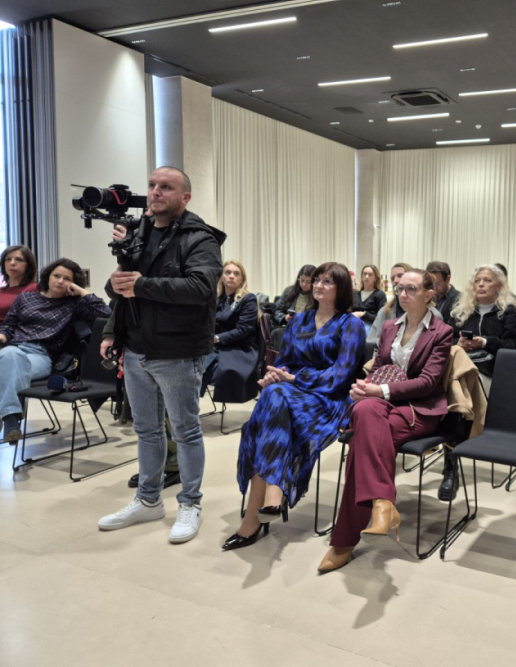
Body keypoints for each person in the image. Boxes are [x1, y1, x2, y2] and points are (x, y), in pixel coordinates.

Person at [98, 166, 225, 545]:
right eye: (152, 185)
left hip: (178, 350)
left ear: (185, 197)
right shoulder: (138, 232)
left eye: (166, 187)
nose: (155, 192)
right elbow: (120, 287)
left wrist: (142, 285)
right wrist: (113, 316)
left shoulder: (200, 237)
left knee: (185, 431)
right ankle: (148, 499)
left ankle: (190, 503)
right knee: (147, 430)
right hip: (137, 347)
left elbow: (201, 288)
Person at [223, 263, 365, 551]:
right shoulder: (299, 320)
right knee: (273, 396)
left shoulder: (350, 324)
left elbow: (341, 376)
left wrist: (294, 378)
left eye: (327, 281)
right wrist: (277, 374)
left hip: (327, 398)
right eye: (317, 280)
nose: (319, 285)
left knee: (268, 410)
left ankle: (254, 517)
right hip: (290, 392)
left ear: (341, 289)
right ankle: (273, 495)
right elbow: (285, 361)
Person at [319, 269, 453, 573]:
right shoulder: (391, 327)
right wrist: (364, 388)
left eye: (411, 289)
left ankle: (345, 541)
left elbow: (428, 382)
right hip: (381, 404)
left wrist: (380, 391)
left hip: (419, 409)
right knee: (365, 412)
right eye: (400, 288)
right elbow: (379, 368)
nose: (403, 294)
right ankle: (382, 504)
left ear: (429, 295)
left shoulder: (442, 332)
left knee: (362, 440)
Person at [0, 258, 111, 443]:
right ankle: (10, 419)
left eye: (67, 278)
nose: (60, 281)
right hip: (12, 348)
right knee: (11, 356)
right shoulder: (26, 298)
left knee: (10, 359)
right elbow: (9, 326)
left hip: (40, 355)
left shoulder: (74, 304)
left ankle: (10, 419)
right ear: (48, 277)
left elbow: (106, 315)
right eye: (56, 276)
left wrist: (82, 292)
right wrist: (2, 337)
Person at [449, 264, 516, 387]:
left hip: (495, 372)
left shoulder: (508, 312)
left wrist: (486, 342)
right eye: (477, 281)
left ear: (498, 286)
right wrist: (459, 343)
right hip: (462, 365)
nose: (481, 284)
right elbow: (445, 340)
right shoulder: (462, 311)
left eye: (487, 280)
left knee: (461, 381)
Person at [202, 260, 260, 404]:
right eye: (227, 272)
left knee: (216, 371)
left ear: (242, 279)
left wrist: (216, 338)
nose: (231, 276)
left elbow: (243, 330)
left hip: (240, 348)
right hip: (217, 345)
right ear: (222, 277)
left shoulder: (248, 299)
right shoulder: (217, 299)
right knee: (190, 365)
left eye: (236, 274)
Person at [367, 262, 413, 341]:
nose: (395, 281)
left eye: (400, 276)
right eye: (392, 278)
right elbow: (371, 341)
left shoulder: (428, 312)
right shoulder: (384, 311)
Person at [0, 245, 39, 322]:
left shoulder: (34, 289)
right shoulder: (1, 291)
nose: (12, 263)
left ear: (28, 265)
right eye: (8, 259)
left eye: (19, 260)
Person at [352, 264, 387, 333]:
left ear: (375, 278)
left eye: (370, 275)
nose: (366, 277)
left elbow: (381, 318)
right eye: (364, 274)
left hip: (370, 326)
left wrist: (363, 314)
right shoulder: (355, 294)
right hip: (353, 323)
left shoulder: (380, 295)